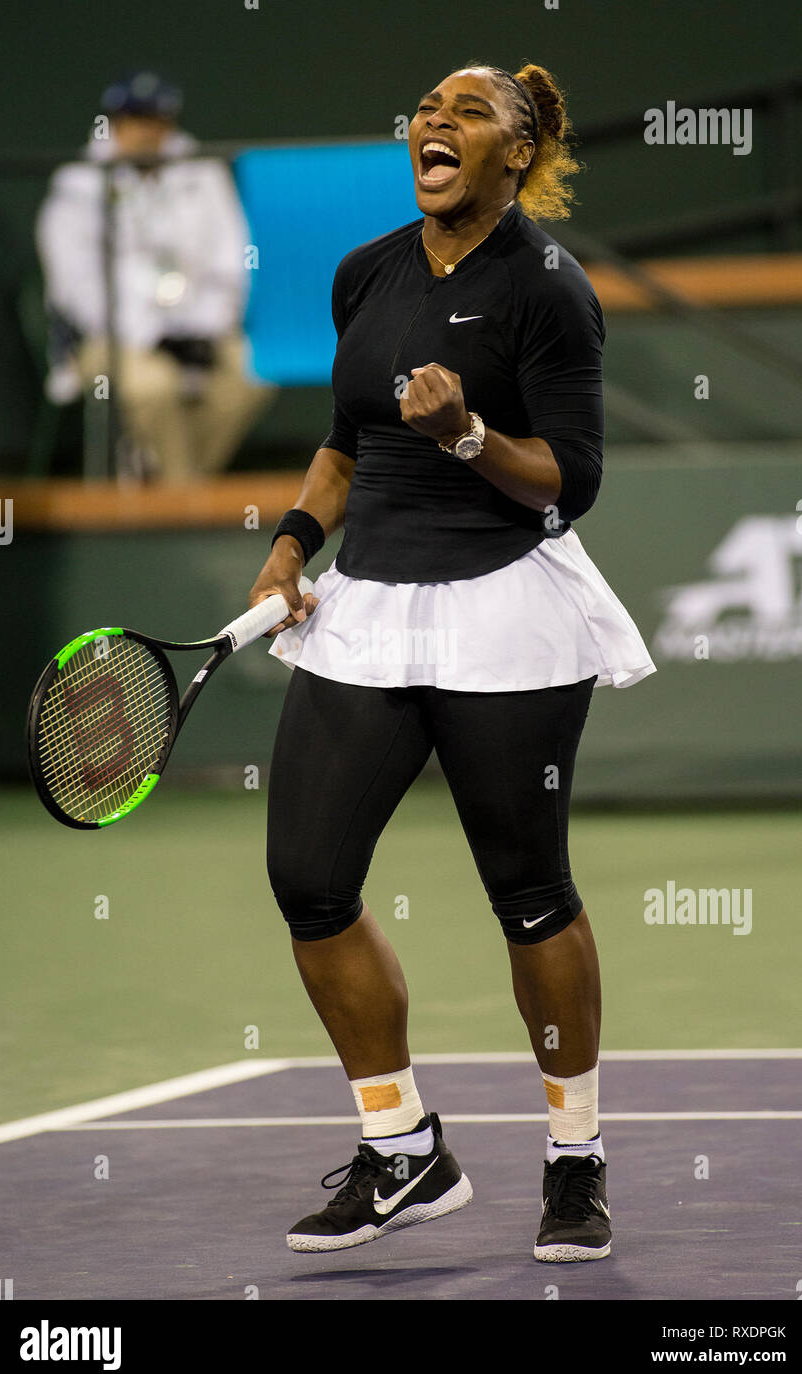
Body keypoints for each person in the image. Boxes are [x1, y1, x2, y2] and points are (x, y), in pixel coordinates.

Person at [248, 61, 656, 1262]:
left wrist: (469, 434)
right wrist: (290, 545)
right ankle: (402, 1147)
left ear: (516, 152)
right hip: (368, 606)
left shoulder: (549, 287)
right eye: (429, 108)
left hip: (505, 606)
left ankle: (573, 1157)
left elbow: (569, 480)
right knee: (308, 879)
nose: (436, 121)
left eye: (469, 112)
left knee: (528, 892)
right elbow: (343, 444)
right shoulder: (364, 273)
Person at [36, 70, 275, 479]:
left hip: (198, 329)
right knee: (154, 385)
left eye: (156, 120)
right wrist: (152, 333)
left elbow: (233, 261)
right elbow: (78, 290)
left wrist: (200, 327)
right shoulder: (78, 183)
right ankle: (184, 497)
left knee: (255, 373)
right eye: (135, 120)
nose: (147, 132)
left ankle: (166, 482)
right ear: (114, 122)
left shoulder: (202, 171)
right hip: (111, 337)